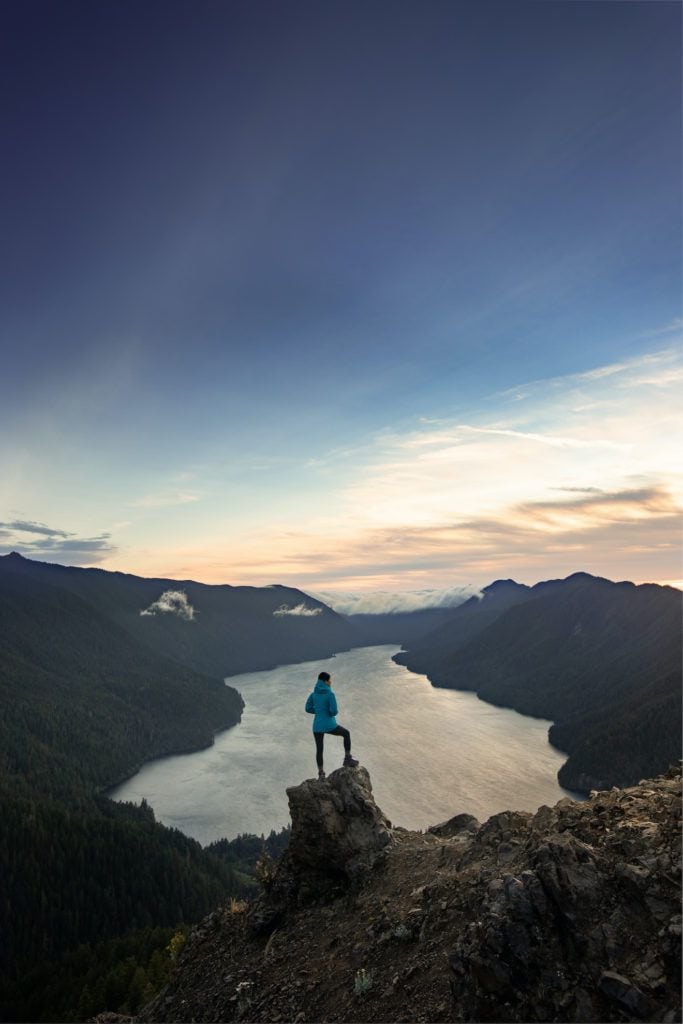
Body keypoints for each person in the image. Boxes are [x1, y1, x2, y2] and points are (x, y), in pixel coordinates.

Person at [305, 670, 358, 780]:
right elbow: (333, 711)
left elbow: (308, 708)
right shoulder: (330, 694)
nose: (331, 682)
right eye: (329, 680)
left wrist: (319, 711)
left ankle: (321, 774)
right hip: (329, 725)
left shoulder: (313, 694)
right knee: (346, 733)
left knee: (319, 750)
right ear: (325, 681)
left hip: (317, 726)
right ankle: (347, 758)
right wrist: (327, 712)